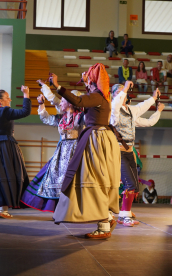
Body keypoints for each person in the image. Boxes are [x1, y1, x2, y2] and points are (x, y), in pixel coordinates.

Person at [52, 64, 121, 239]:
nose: (85, 77)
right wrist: (86, 82)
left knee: (94, 178)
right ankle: (108, 217)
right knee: (97, 178)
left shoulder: (97, 96)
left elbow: (79, 101)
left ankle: (104, 225)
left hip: (97, 138)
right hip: (98, 137)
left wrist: (58, 87)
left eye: (88, 76)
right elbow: (85, 99)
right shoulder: (98, 96)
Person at [21, 83, 84, 213]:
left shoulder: (80, 117)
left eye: (63, 101)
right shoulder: (61, 118)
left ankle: (73, 208)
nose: (60, 103)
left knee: (71, 178)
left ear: (71, 103)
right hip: (61, 151)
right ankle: (59, 208)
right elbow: (47, 119)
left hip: (75, 150)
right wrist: (41, 104)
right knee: (55, 176)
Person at [110, 83, 164, 227]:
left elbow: (146, 115)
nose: (122, 93)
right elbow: (116, 104)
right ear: (113, 95)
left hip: (129, 151)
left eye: (124, 91)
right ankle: (122, 214)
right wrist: (125, 88)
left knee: (133, 184)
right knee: (126, 183)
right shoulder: (112, 110)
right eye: (119, 91)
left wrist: (155, 103)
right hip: (117, 151)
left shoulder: (131, 111)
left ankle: (124, 213)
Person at [0, 87, 31, 219]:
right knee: (6, 173)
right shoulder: (5, 111)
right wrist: (26, 94)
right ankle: (3, 209)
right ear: (0, 101)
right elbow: (25, 112)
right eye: (7, 97)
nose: (10, 100)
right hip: (3, 145)